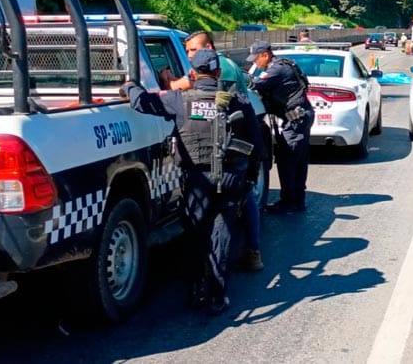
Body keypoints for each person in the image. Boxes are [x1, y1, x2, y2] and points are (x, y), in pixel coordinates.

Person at [122, 49, 264, 314]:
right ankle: (217, 296)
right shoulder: (238, 100)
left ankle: (197, 290)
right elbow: (257, 145)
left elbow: (142, 102)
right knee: (222, 235)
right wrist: (250, 179)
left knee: (196, 234)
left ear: (192, 74)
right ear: (219, 73)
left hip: (197, 179)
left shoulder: (179, 100)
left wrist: (130, 86)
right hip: (231, 176)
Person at [166, 30, 264, 272]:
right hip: (227, 150)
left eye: (193, 50)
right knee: (238, 200)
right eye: (187, 51)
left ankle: (250, 252)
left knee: (241, 201)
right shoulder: (219, 64)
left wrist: (168, 80)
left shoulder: (221, 68)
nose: (189, 56)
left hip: (225, 149)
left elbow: (192, 89)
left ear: (208, 48)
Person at [247, 40, 314, 214]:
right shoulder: (281, 65)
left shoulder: (276, 69)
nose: (255, 63)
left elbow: (253, 84)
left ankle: (290, 203)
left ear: (265, 55)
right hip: (298, 118)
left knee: (288, 161)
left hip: (296, 119)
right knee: (297, 161)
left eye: (256, 59)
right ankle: (297, 201)